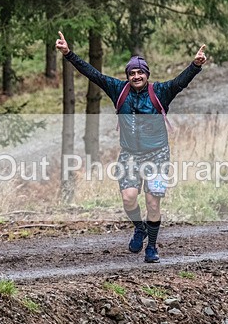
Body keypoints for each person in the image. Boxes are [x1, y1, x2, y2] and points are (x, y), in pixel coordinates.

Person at [55, 32, 207, 263]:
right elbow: (92, 74)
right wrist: (68, 54)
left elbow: (180, 82)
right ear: (128, 76)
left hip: (158, 154)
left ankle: (152, 247)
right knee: (128, 198)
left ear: (147, 75)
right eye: (132, 73)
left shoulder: (161, 92)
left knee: (153, 201)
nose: (136, 76)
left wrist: (195, 66)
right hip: (129, 154)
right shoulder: (118, 89)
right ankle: (139, 228)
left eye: (140, 73)